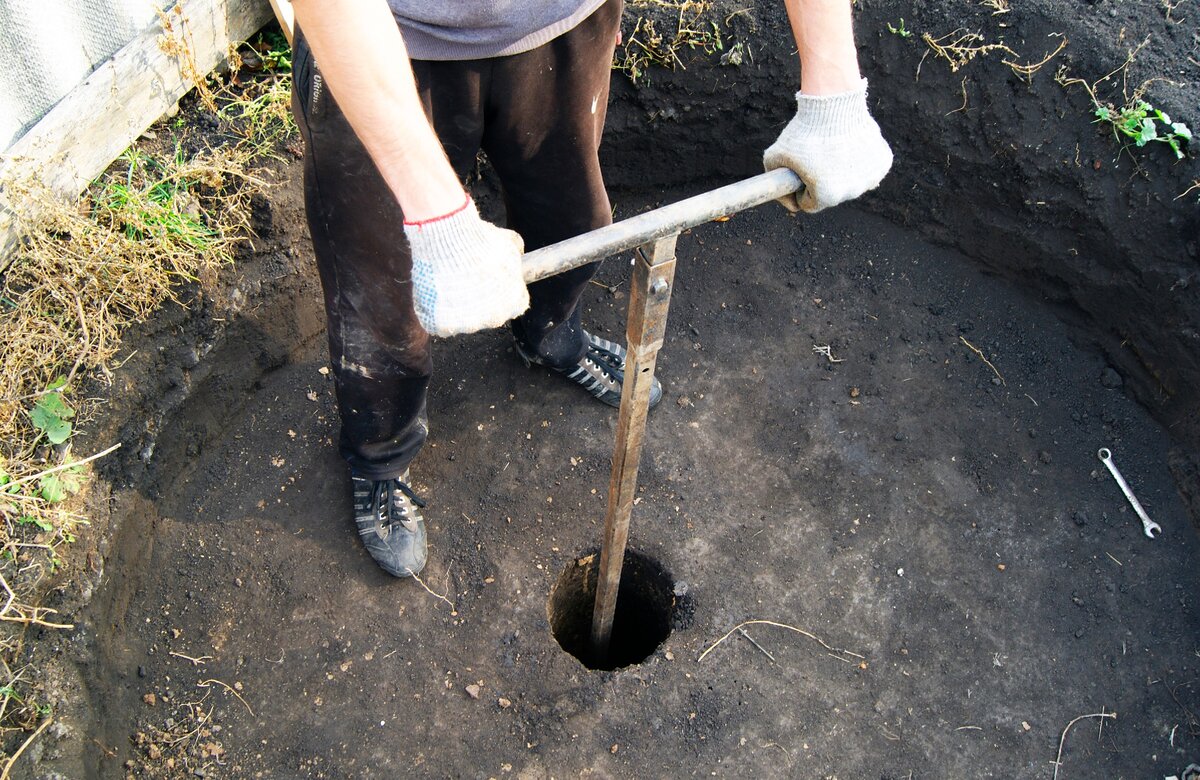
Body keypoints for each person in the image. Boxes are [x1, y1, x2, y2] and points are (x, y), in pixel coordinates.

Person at [288, 0, 892, 578]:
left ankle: (548, 336)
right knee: (382, 293)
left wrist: (834, 91)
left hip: (562, 23)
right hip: (383, 39)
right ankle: (381, 454)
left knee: (573, 224)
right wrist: (436, 219)